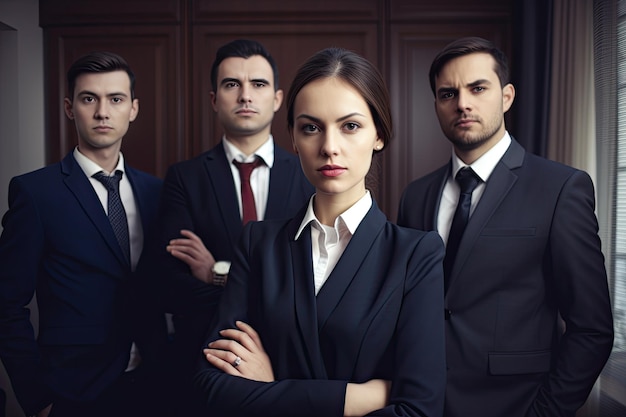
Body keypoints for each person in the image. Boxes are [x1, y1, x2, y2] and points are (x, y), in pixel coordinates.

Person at [194, 47, 446, 417]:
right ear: (293, 139)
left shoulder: (415, 254)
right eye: (311, 128)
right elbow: (211, 386)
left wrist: (272, 389)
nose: (329, 147)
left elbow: (419, 410)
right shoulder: (258, 244)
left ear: (379, 135)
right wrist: (356, 398)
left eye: (350, 126)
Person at [397, 36, 614, 417]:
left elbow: (592, 330)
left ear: (507, 96)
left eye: (478, 88)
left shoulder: (560, 188)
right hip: (422, 404)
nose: (462, 103)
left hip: (514, 405)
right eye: (448, 94)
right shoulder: (416, 196)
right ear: (436, 106)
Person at [138, 39, 314, 414]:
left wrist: (216, 272)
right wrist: (268, 290)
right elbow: (165, 284)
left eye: (258, 85)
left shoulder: (308, 177)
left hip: (291, 367)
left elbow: (316, 278)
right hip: (199, 364)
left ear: (279, 99)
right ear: (214, 99)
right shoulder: (185, 178)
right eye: (232, 84)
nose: (245, 95)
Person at [0, 52, 164, 417]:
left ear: (133, 109)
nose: (102, 111)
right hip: (71, 391)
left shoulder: (157, 192)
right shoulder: (36, 194)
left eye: (116, 99)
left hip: (152, 381)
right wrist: (36, 398)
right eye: (89, 98)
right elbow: (6, 303)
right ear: (69, 108)